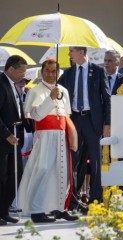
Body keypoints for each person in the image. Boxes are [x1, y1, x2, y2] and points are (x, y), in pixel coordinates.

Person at [18, 59, 78, 222]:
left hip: (61, 135)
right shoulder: (35, 91)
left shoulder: (63, 90)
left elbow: (67, 115)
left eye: (54, 71)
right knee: (43, 169)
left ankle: (60, 208)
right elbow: (35, 115)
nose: (51, 74)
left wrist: (72, 135)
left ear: (58, 73)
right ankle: (37, 211)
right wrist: (49, 99)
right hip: (44, 136)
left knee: (61, 171)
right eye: (47, 71)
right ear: (42, 72)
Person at [59, 47, 111, 211]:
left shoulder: (97, 71)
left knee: (95, 162)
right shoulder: (67, 73)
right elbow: (57, 93)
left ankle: (95, 200)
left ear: (81, 52)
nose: (69, 54)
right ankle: (73, 201)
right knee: (74, 162)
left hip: (92, 121)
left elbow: (107, 98)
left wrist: (107, 123)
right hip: (74, 120)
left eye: (72, 51)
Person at [0, 55, 28, 225]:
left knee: (15, 175)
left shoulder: (12, 85)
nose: (23, 75)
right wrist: (6, 134)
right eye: (21, 71)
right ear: (11, 69)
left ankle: (4, 210)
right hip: (4, 140)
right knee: (2, 177)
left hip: (15, 138)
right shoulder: (1, 84)